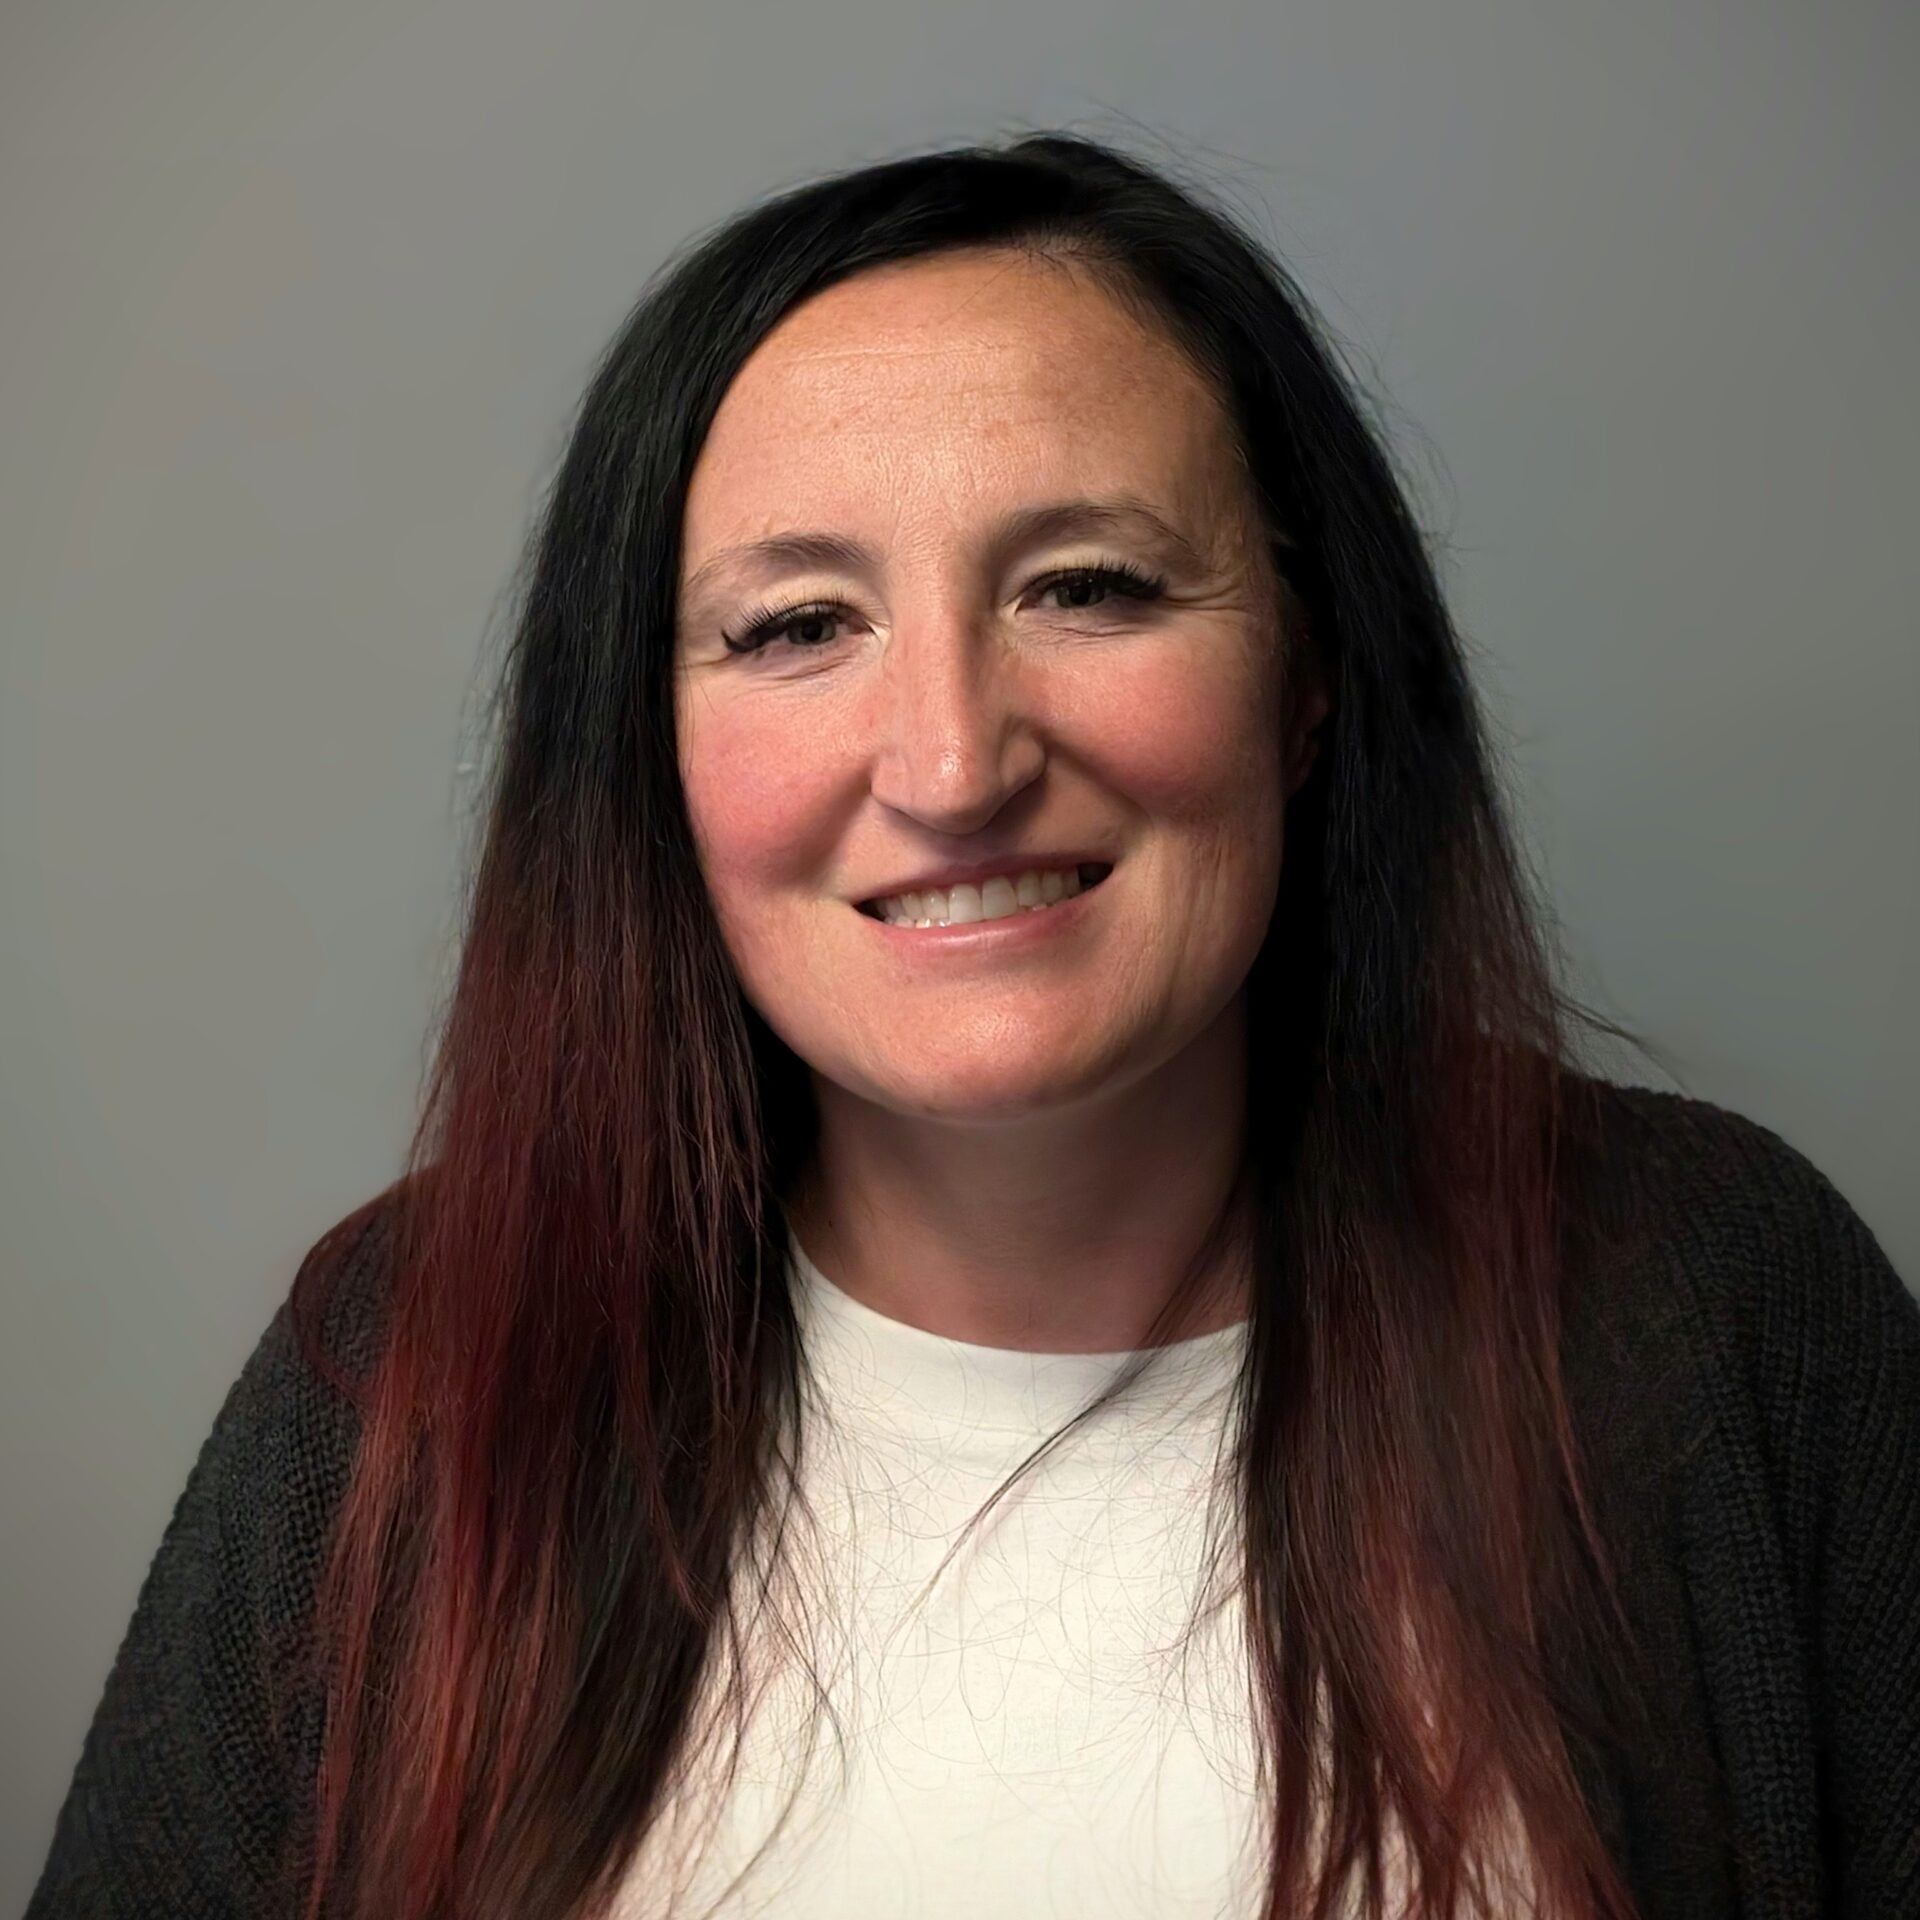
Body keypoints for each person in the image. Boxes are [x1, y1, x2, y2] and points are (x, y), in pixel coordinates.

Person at [27, 131, 1919, 1920]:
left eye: (1085, 588)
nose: (950, 763)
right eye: (794, 626)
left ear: (1311, 673)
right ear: (651, 750)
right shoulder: (406, 1375)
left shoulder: (1720, 1303)